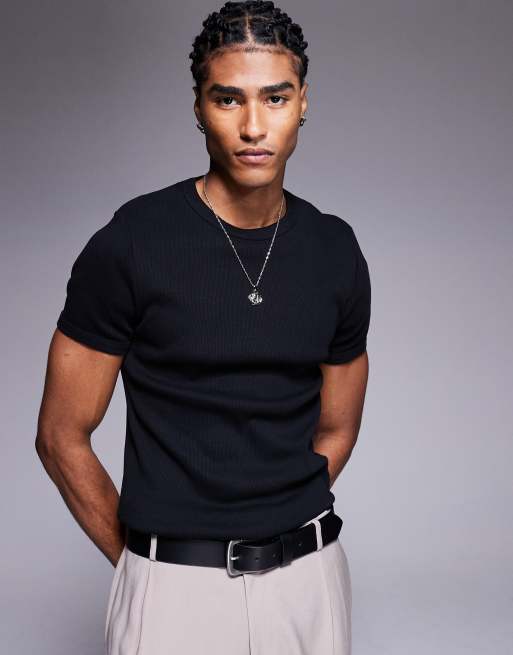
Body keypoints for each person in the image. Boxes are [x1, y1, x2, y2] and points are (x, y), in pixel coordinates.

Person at [35, 1, 371, 653]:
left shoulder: (334, 250)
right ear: (198, 107)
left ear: (302, 102)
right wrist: (142, 567)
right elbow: (60, 433)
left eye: (275, 97)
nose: (253, 126)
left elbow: (338, 424)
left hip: (309, 580)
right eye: (228, 99)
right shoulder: (132, 242)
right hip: (173, 589)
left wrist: (274, 515)